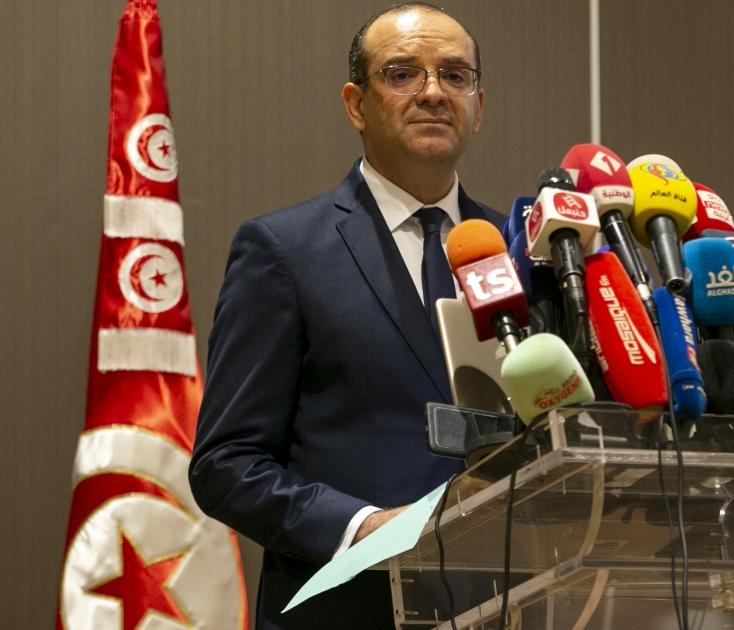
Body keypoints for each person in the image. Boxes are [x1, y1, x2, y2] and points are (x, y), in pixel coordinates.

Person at [189, 4, 504, 628]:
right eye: (403, 74)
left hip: (507, 606)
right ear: (356, 105)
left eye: (455, 75)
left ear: (479, 107)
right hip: (347, 609)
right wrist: (361, 528)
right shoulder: (284, 250)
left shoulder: (519, 249)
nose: (433, 93)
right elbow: (226, 465)